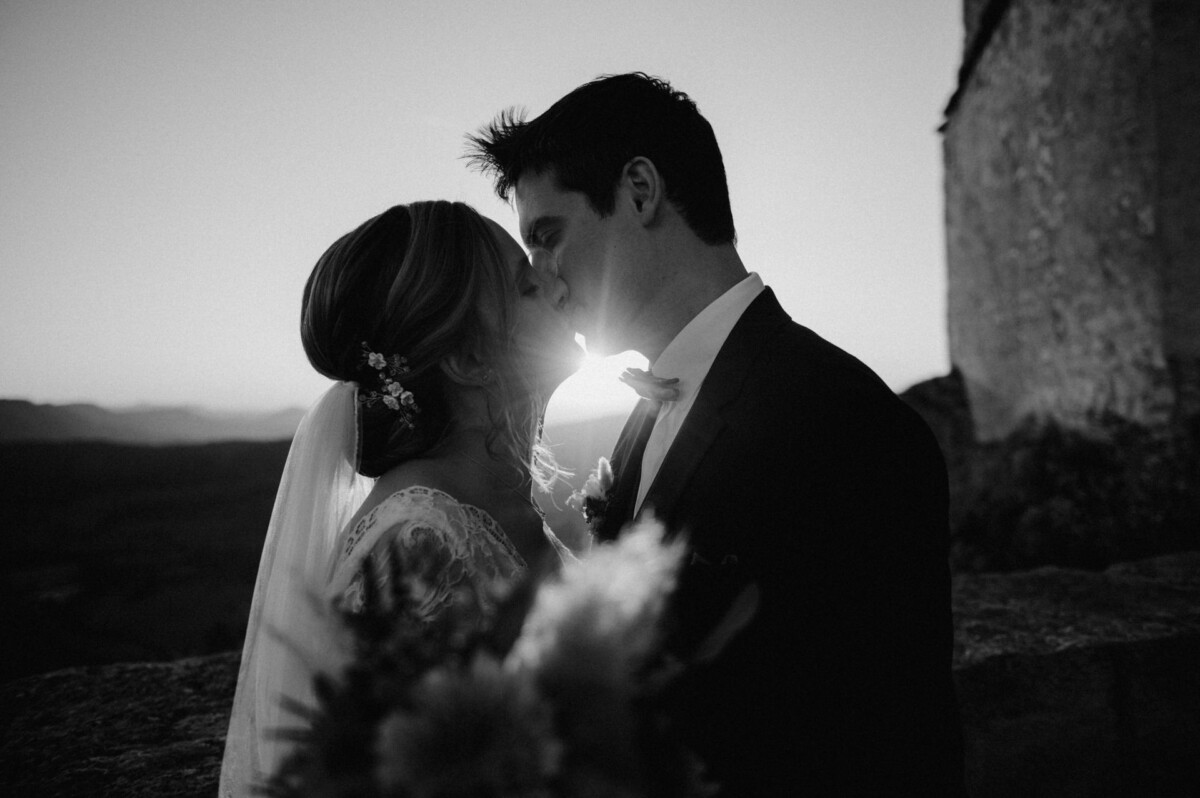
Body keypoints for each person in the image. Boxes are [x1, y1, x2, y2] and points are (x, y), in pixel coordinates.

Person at [469, 73, 965, 794]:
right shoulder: (642, 418)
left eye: (549, 236)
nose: (540, 279)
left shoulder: (843, 418)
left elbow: (896, 740)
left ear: (640, 191)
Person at [219, 201, 582, 796]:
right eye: (526, 286)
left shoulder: (489, 496)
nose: (557, 283)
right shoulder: (418, 541)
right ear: (468, 360)